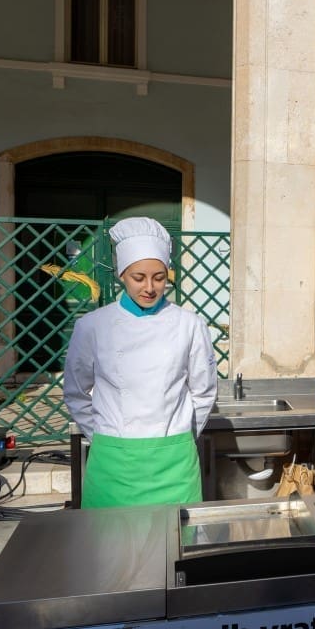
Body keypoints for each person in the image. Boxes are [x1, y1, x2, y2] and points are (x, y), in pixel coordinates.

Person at [64, 217, 217, 509]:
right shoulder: (92, 326)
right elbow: (75, 392)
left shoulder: (190, 325)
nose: (149, 287)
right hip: (113, 464)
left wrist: (179, 439)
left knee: (176, 535)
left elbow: (204, 392)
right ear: (122, 274)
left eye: (159, 278)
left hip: (174, 464)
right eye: (138, 277)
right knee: (108, 537)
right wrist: (106, 438)